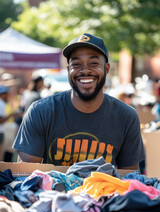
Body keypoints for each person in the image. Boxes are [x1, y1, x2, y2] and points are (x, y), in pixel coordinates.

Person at [13, 33, 145, 170]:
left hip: (103, 191)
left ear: (106, 69)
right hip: (52, 191)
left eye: (93, 63)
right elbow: (25, 176)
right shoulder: (41, 112)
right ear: (68, 70)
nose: (85, 70)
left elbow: (130, 179)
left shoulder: (126, 117)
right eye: (76, 64)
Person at [0, 86, 22, 161]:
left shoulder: (3, 103)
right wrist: (11, 115)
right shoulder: (1, 103)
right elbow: (1, 120)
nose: (7, 96)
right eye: (6, 94)